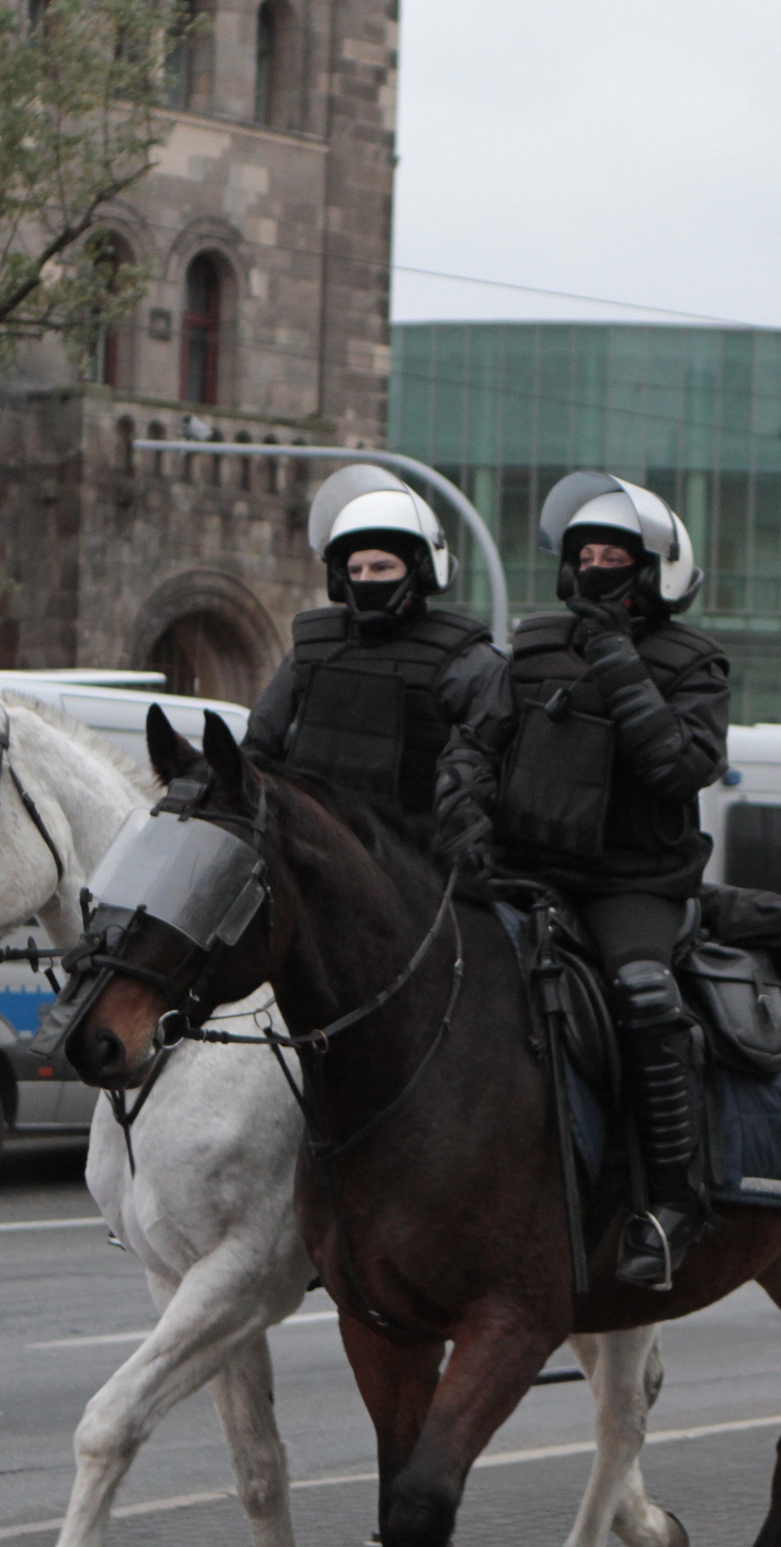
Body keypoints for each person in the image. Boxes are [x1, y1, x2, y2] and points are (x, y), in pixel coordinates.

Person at [437, 472, 729, 1290]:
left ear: (656, 569)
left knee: (643, 992)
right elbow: (473, 747)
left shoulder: (693, 663)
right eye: (586, 554)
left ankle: (673, 1201)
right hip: (525, 871)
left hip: (632, 884)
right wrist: (465, 831)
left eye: (614, 555)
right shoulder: (530, 646)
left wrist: (613, 656)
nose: (596, 567)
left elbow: (679, 767)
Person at [244, 465, 505, 855]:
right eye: (355, 570)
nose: (365, 579)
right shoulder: (311, 649)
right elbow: (256, 749)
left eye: (382, 567)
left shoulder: (467, 662)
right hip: (308, 851)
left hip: (418, 864)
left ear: (418, 571)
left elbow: (489, 769)